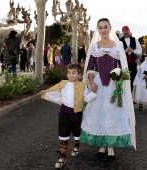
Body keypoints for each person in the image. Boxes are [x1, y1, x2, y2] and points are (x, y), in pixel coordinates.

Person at [80, 18, 136, 160]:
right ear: (97, 30)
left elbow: (123, 68)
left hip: (113, 85)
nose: (103, 30)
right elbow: (91, 67)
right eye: (100, 28)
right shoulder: (94, 47)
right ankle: (102, 145)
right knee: (99, 114)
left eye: (106, 27)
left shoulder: (117, 46)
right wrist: (92, 83)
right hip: (98, 85)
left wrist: (119, 83)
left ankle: (110, 147)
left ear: (110, 28)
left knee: (112, 115)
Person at [40, 63, 97, 169]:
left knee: (77, 133)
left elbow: (86, 98)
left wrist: (93, 93)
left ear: (79, 75)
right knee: (63, 134)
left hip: (77, 115)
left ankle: (76, 146)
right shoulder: (63, 83)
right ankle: (62, 157)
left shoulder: (82, 86)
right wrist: (46, 92)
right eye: (69, 73)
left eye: (74, 73)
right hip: (64, 114)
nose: (70, 75)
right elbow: (55, 91)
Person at [120, 26, 142, 91]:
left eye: (127, 30)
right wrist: (124, 51)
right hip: (124, 62)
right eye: (124, 30)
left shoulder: (134, 39)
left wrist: (133, 51)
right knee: (124, 78)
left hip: (133, 61)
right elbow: (117, 52)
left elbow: (140, 50)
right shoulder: (120, 41)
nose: (126, 32)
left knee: (133, 78)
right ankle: (125, 93)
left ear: (129, 31)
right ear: (122, 32)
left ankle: (132, 93)